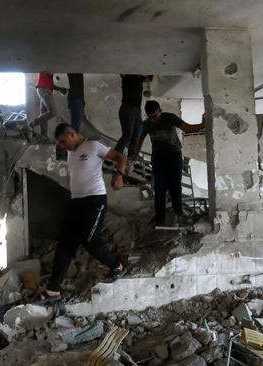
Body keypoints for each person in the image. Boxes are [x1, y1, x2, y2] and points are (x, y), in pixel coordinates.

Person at [39, 123, 126, 302]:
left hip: (95, 200)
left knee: (89, 239)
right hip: (76, 201)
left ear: (72, 134)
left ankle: (116, 265)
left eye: (64, 142)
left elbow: (120, 157)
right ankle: (54, 289)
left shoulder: (93, 146)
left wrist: (119, 175)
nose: (62, 146)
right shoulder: (71, 153)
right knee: (65, 242)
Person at [131, 100, 205, 227]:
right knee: (160, 187)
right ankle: (160, 218)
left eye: (155, 116)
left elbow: (187, 128)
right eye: (150, 117)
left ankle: (179, 214)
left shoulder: (170, 118)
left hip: (174, 155)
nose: (153, 119)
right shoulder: (147, 124)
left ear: (160, 111)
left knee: (175, 186)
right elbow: (140, 140)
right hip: (158, 158)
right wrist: (134, 155)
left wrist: (203, 124)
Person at [115, 74, 153, 160]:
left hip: (136, 110)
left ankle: (130, 160)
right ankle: (114, 157)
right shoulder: (127, 76)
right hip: (127, 108)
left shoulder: (139, 77)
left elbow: (149, 78)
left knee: (136, 136)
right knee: (127, 135)